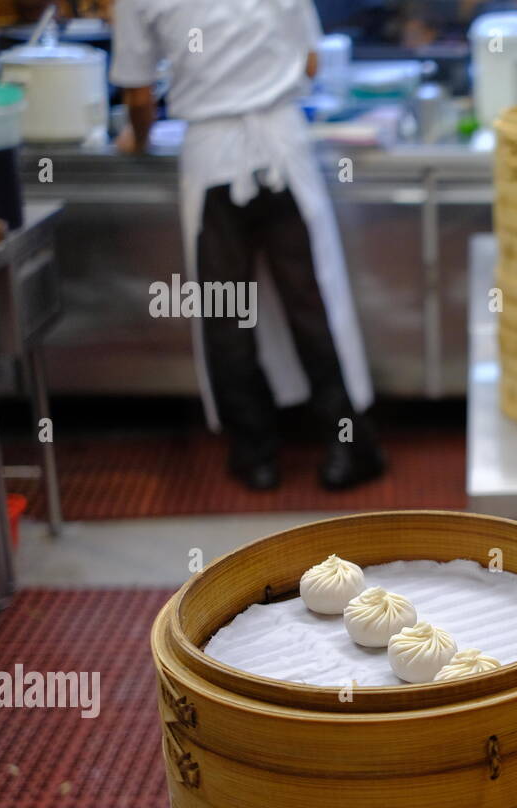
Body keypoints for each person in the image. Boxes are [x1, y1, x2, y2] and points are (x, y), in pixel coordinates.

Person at [111, 0, 386, 491]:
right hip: (282, 144)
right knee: (310, 302)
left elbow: (136, 92)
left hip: (211, 156)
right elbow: (311, 61)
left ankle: (256, 454)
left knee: (226, 312)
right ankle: (348, 447)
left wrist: (137, 137)